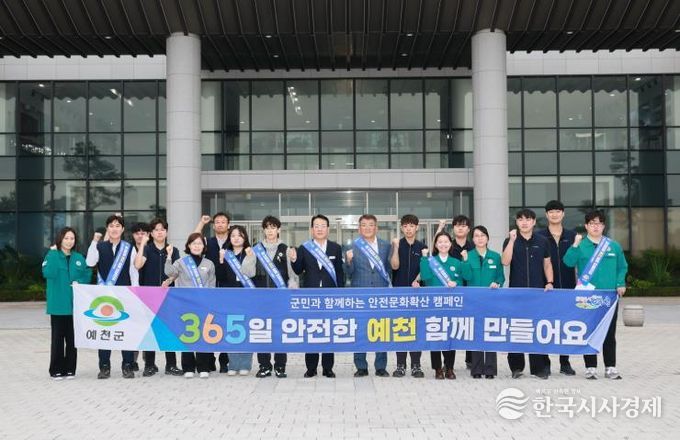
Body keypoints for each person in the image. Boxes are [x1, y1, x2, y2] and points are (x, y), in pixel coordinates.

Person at [563, 210, 628, 380]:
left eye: (599, 223)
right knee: (590, 331)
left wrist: (620, 283)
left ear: (603, 226)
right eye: (592, 223)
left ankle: (610, 367)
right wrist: (575, 245)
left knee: (609, 332)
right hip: (588, 296)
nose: (595, 226)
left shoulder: (613, 246)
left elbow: (622, 267)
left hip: (609, 296)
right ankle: (590, 367)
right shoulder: (581, 245)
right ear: (586, 226)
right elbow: (568, 262)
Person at [290, 214, 345, 378]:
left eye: (323, 226)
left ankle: (328, 368)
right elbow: (298, 270)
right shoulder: (304, 248)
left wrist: (340, 293)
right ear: (311, 229)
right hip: (310, 296)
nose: (319, 229)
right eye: (316, 226)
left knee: (328, 331)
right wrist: (294, 260)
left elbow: (339, 272)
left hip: (330, 296)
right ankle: (311, 367)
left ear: (328, 229)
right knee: (311, 330)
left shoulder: (336, 248)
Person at [502, 208, 554, 380]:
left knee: (537, 329)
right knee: (517, 329)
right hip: (516, 293)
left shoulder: (542, 241)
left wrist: (550, 282)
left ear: (533, 222)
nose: (524, 223)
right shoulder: (510, 240)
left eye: (528, 219)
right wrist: (512, 241)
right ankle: (516, 367)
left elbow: (547, 264)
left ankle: (539, 368)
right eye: (521, 219)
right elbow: (505, 261)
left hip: (538, 293)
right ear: (516, 222)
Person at [86, 214, 138, 379]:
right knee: (105, 330)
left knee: (126, 331)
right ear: (107, 229)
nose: (114, 229)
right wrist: (94, 241)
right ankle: (104, 366)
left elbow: (133, 271)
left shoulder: (129, 248)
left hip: (125, 295)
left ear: (122, 229)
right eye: (111, 226)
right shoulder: (100, 246)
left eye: (117, 226)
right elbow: (90, 262)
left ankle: (127, 365)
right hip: (105, 296)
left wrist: (135, 293)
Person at [133, 218, 184, 377]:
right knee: (150, 330)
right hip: (148, 294)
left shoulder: (173, 250)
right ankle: (149, 365)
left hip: (168, 294)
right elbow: (138, 265)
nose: (160, 232)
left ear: (166, 232)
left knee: (169, 329)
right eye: (156, 230)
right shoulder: (147, 249)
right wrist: (142, 244)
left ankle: (171, 365)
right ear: (151, 233)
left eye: (162, 229)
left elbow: (177, 271)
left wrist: (169, 281)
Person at [42, 227, 92, 380]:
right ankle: (56, 369)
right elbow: (47, 273)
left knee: (72, 339)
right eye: (66, 238)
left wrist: (80, 281)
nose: (69, 241)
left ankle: (70, 369)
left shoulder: (78, 257)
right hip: (58, 305)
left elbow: (87, 273)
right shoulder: (52, 255)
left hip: (75, 306)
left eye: (72, 238)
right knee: (57, 339)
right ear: (60, 239)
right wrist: (52, 253)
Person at [345, 214, 392, 378]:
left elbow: (389, 270)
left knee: (381, 329)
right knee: (360, 330)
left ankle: (381, 366)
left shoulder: (386, 246)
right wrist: (348, 261)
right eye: (363, 225)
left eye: (371, 224)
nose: (367, 228)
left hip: (381, 292)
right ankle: (361, 366)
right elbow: (348, 274)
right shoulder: (352, 246)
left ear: (376, 227)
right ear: (359, 228)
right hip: (360, 293)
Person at [253, 216, 299, 379]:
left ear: (278, 230)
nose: (270, 230)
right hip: (261, 297)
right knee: (262, 331)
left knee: (280, 331)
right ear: (263, 230)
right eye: (267, 227)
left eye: (273, 227)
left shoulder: (285, 249)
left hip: (280, 297)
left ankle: (280, 365)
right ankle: (264, 366)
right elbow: (248, 272)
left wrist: (292, 288)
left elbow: (292, 274)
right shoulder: (256, 249)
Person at [165, 233, 216, 378]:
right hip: (185, 305)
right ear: (188, 245)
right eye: (194, 243)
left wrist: (209, 303)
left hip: (203, 305)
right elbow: (169, 272)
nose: (197, 246)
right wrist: (169, 257)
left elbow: (212, 285)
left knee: (202, 335)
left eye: (199, 243)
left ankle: (203, 367)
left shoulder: (209, 264)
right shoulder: (181, 262)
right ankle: (188, 367)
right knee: (186, 335)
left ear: (204, 246)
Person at [536, 200, 577, 376]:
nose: (554, 214)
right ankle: (545, 363)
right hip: (546, 287)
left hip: (568, 286)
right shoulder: (539, 236)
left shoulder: (572, 236)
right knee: (545, 325)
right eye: (551, 212)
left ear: (563, 214)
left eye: (558, 211)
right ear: (546, 215)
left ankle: (564, 362)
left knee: (565, 325)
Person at [460, 225, 505, 379]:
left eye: (482, 235)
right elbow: (466, 277)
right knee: (476, 333)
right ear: (472, 239)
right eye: (476, 236)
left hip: (491, 300)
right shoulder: (468, 255)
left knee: (490, 333)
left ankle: (490, 370)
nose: (480, 238)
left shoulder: (495, 256)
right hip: (473, 301)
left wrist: (497, 283)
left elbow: (500, 277)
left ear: (487, 238)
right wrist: (465, 261)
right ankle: (477, 369)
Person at [420, 231, 463, 379]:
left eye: (446, 241)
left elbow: (462, 281)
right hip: (435, 305)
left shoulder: (456, 262)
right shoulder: (430, 261)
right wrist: (424, 258)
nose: (443, 244)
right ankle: (437, 368)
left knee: (450, 337)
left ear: (450, 244)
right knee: (436, 336)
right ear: (436, 245)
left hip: (451, 305)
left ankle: (449, 367)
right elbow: (425, 277)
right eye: (440, 242)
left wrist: (456, 283)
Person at [194, 212, 231, 373]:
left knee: (226, 323)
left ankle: (225, 360)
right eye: (217, 222)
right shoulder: (208, 242)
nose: (220, 224)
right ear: (214, 225)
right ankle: (208, 360)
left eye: (223, 222)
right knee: (208, 322)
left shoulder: (234, 240)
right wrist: (202, 223)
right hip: (209, 288)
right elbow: (194, 240)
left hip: (229, 288)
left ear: (228, 225)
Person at [390, 214, 426, 378]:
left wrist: (417, 280)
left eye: (411, 226)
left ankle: (416, 365)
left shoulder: (422, 247)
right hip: (399, 294)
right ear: (401, 228)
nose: (408, 229)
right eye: (405, 226)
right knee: (401, 328)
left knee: (416, 329)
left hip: (417, 294)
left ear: (417, 227)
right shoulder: (397, 245)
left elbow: (426, 268)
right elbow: (394, 266)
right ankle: (400, 365)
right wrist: (396, 247)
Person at [436, 215, 474, 369]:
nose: (460, 228)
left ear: (468, 229)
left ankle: (471, 360)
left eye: (463, 225)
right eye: (457, 225)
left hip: (469, 291)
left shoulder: (473, 246)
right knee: (449, 327)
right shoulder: (447, 245)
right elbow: (435, 250)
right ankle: (448, 363)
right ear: (453, 228)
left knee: (469, 325)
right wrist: (440, 229)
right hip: (449, 293)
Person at [220, 225, 257, 376]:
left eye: (239, 235)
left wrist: (249, 258)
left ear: (244, 237)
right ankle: (233, 364)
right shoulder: (226, 254)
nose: (236, 238)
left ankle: (245, 364)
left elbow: (251, 273)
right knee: (232, 330)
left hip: (247, 296)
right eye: (233, 235)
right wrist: (221, 260)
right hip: (230, 297)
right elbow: (221, 277)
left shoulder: (250, 252)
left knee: (246, 330)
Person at [128, 222, 149, 372]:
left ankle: (148, 361)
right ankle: (132, 360)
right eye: (137, 233)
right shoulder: (127, 249)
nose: (140, 236)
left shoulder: (150, 249)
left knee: (147, 329)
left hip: (147, 293)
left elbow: (140, 265)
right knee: (133, 328)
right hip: (131, 293)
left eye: (143, 233)